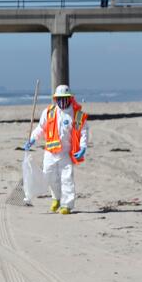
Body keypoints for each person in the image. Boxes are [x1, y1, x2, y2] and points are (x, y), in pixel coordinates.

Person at [24, 84, 88, 214]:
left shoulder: (77, 115)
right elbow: (41, 128)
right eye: (59, 98)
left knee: (67, 178)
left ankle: (67, 205)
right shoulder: (49, 112)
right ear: (55, 98)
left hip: (66, 152)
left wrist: (83, 147)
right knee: (48, 176)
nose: (62, 101)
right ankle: (56, 198)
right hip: (50, 151)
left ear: (70, 98)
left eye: (64, 98)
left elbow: (83, 132)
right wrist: (32, 139)